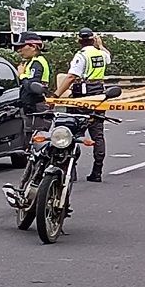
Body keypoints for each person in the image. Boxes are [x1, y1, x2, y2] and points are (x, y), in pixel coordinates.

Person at [53, 28, 110, 183]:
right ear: (93, 39)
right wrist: (101, 45)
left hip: (82, 98)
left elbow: (71, 76)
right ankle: (97, 171)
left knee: (71, 133)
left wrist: (56, 95)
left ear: (79, 40)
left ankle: (70, 170)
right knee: (98, 135)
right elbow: (108, 56)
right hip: (99, 96)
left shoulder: (82, 55)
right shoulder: (101, 54)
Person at [15, 32, 51, 131]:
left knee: (35, 138)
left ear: (33, 47)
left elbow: (32, 87)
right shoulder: (32, 61)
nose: (19, 50)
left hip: (35, 107)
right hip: (31, 106)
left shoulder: (37, 63)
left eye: (22, 46)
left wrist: (22, 75)